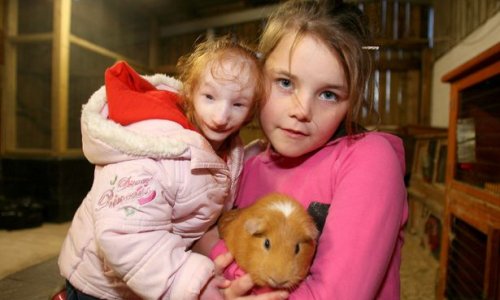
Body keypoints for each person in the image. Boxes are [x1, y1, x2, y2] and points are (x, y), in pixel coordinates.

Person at [197, 0, 408, 299]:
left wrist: (213, 256)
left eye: (328, 94)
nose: (302, 110)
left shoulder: (368, 159)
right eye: (285, 82)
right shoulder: (241, 164)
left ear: (353, 99)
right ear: (258, 77)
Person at [58, 36, 267, 300]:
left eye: (238, 104)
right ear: (190, 92)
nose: (221, 116)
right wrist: (192, 283)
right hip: (101, 286)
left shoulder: (226, 146)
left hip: (149, 276)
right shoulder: (153, 147)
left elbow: (211, 176)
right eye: (210, 97)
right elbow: (124, 234)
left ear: (250, 112)